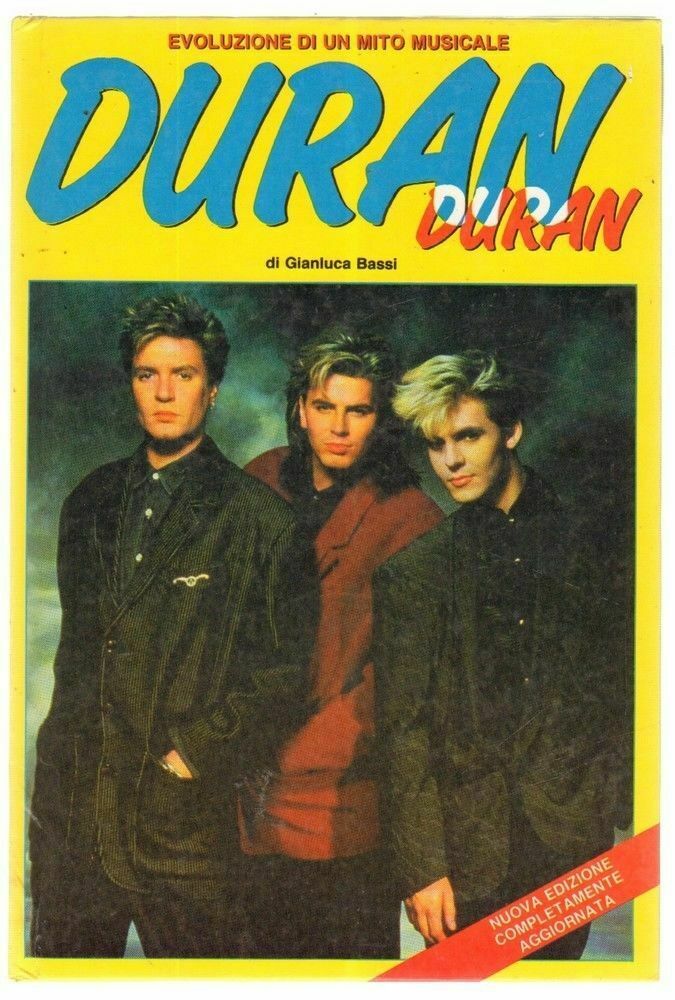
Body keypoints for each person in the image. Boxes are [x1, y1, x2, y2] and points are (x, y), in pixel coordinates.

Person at [29, 294, 316, 958]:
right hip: (75, 826)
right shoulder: (89, 501)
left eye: (182, 375)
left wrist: (192, 756)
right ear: (130, 383)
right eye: (146, 374)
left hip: (187, 833)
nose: (163, 393)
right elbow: (78, 662)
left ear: (211, 390)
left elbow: (283, 676)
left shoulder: (261, 521)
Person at [373, 351, 629, 959]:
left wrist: (610, 803)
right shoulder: (413, 574)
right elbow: (402, 730)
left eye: (468, 436)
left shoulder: (597, 548)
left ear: (510, 431)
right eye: (436, 444)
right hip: (465, 860)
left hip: (569, 841)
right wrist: (422, 868)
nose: (451, 461)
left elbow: (627, 687)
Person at [237, 327, 444, 959]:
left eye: (358, 410)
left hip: (342, 802)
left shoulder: (411, 516)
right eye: (324, 406)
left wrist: (304, 749)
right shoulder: (259, 478)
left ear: (381, 420)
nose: (339, 427)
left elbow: (402, 681)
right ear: (300, 409)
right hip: (244, 794)